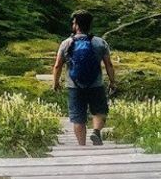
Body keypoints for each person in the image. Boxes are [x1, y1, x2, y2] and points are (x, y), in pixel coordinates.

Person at [51, 10, 119, 146]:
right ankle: (96, 131)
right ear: (89, 25)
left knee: (78, 118)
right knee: (99, 111)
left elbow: (58, 65)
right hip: (96, 84)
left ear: (76, 25)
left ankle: (82, 147)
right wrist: (112, 82)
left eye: (73, 22)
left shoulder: (66, 43)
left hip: (74, 86)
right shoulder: (100, 43)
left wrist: (56, 83)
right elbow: (109, 64)